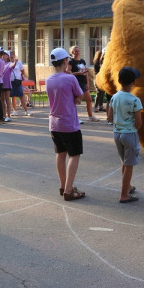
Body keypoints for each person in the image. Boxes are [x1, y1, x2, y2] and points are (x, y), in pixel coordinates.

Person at [46, 47, 85, 201]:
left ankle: (63, 186)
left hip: (54, 124)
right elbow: (79, 97)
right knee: (74, 155)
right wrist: (75, 99)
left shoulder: (49, 79)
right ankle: (69, 190)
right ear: (64, 61)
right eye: (67, 59)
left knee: (60, 154)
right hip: (69, 123)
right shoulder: (70, 79)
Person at [107, 66, 143, 203]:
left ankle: (127, 187)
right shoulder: (135, 100)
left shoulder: (114, 97)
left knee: (124, 162)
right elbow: (139, 123)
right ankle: (124, 194)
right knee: (129, 165)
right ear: (134, 82)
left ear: (119, 80)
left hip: (117, 134)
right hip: (130, 134)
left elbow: (110, 117)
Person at [69, 46, 99, 122]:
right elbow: (68, 73)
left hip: (83, 83)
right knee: (77, 100)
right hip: (76, 83)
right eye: (75, 51)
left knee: (89, 99)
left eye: (78, 51)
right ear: (72, 52)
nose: (77, 52)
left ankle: (90, 116)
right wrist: (77, 73)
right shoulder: (71, 62)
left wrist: (88, 83)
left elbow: (86, 73)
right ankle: (74, 117)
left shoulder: (82, 61)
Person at [9, 51, 31, 116]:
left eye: (13, 54)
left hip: (18, 81)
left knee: (21, 96)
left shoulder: (19, 63)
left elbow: (22, 70)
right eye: (10, 54)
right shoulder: (8, 63)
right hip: (11, 81)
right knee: (12, 97)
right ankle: (15, 110)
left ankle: (26, 111)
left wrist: (21, 77)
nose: (12, 56)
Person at [1, 50, 16, 122]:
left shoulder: (9, 63)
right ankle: (4, 115)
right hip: (0, 84)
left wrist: (15, 62)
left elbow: (12, 65)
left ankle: (8, 116)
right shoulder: (0, 63)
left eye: (5, 55)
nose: (3, 56)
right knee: (2, 100)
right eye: (2, 54)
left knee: (7, 100)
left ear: (8, 56)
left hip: (7, 84)